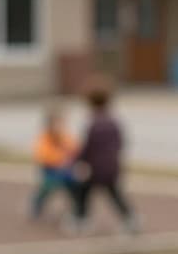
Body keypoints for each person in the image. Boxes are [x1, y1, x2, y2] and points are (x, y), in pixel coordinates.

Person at [68, 83, 140, 235]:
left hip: (96, 169)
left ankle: (81, 219)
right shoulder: (113, 122)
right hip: (112, 167)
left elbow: (87, 148)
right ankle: (130, 218)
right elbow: (121, 143)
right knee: (113, 193)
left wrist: (76, 161)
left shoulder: (93, 123)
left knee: (82, 191)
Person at [29, 106, 78, 221]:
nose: (59, 126)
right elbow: (42, 155)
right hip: (50, 170)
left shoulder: (65, 137)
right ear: (50, 124)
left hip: (65, 171)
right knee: (47, 187)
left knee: (74, 186)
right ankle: (36, 206)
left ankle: (76, 209)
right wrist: (60, 158)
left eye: (61, 123)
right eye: (57, 123)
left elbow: (75, 149)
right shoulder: (44, 138)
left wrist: (71, 157)